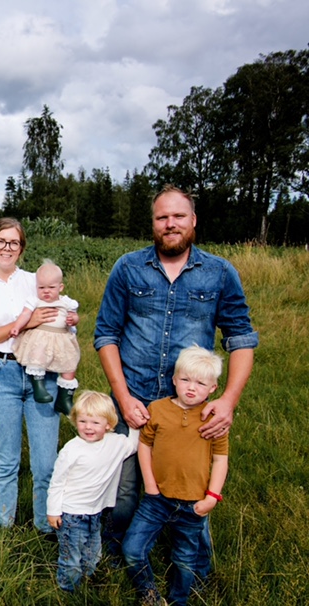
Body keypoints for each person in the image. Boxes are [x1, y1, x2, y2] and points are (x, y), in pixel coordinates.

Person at [94, 185, 258, 571]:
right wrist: (123, 396)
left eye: (178, 216)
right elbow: (107, 335)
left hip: (191, 406)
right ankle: (117, 558)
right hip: (133, 398)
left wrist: (228, 401)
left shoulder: (219, 273)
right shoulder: (128, 268)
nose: (170, 224)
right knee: (127, 489)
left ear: (193, 220)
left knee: (192, 486)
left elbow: (242, 339)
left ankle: (191, 567)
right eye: (162, 217)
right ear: (153, 223)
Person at [0, 218, 78, 534]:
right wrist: (26, 322)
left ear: (21, 248)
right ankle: (6, 527)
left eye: (14, 242)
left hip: (43, 374)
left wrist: (66, 320)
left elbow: (62, 319)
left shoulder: (35, 280)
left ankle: (45, 526)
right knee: (7, 460)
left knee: (45, 463)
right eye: (1, 241)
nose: (7, 248)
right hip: (2, 374)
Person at [122, 345, 228, 606]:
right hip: (156, 499)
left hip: (193, 504)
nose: (192, 387)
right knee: (132, 551)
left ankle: (178, 600)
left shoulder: (213, 418)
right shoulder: (158, 409)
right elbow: (145, 445)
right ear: (174, 379)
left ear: (213, 388)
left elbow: (220, 459)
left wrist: (212, 497)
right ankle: (150, 596)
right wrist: (149, 484)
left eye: (201, 383)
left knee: (184, 560)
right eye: (185, 380)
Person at [46, 391, 139, 592]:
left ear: (108, 424)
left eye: (95, 423)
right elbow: (57, 482)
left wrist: (136, 424)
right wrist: (53, 511)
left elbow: (132, 445)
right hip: (71, 514)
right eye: (83, 421)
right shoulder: (72, 449)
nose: (88, 427)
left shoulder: (115, 442)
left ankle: (86, 582)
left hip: (95, 512)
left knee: (92, 553)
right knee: (72, 557)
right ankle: (68, 590)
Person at [10, 259, 80, 415]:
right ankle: (38, 386)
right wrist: (16, 327)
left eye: (51, 287)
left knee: (69, 366)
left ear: (60, 287)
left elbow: (75, 317)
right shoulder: (35, 301)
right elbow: (25, 315)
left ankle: (64, 398)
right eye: (41, 287)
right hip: (41, 337)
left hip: (62, 339)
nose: (46, 291)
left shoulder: (66, 302)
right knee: (38, 358)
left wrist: (73, 320)